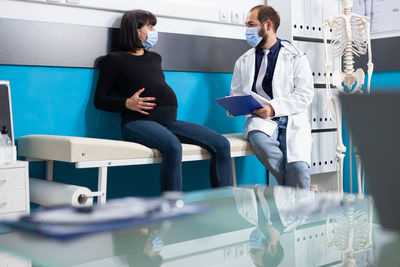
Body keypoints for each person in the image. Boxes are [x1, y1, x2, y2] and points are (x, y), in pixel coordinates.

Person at [94, 10, 232, 192]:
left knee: (222, 144)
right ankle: (173, 208)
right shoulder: (114, 60)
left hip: (168, 122)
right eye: (149, 27)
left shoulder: (155, 58)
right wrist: (126, 103)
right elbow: (100, 99)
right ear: (135, 30)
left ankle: (225, 201)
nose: (153, 31)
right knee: (173, 147)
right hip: (137, 123)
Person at [230, 5, 314, 189]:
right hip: (260, 119)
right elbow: (236, 91)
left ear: (268, 25)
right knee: (261, 143)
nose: (247, 30)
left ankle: (296, 199)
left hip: (292, 118)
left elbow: (304, 95)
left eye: (251, 24)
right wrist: (234, 103)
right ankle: (297, 191)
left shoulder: (296, 57)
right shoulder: (243, 61)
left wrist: (274, 108)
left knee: (299, 168)